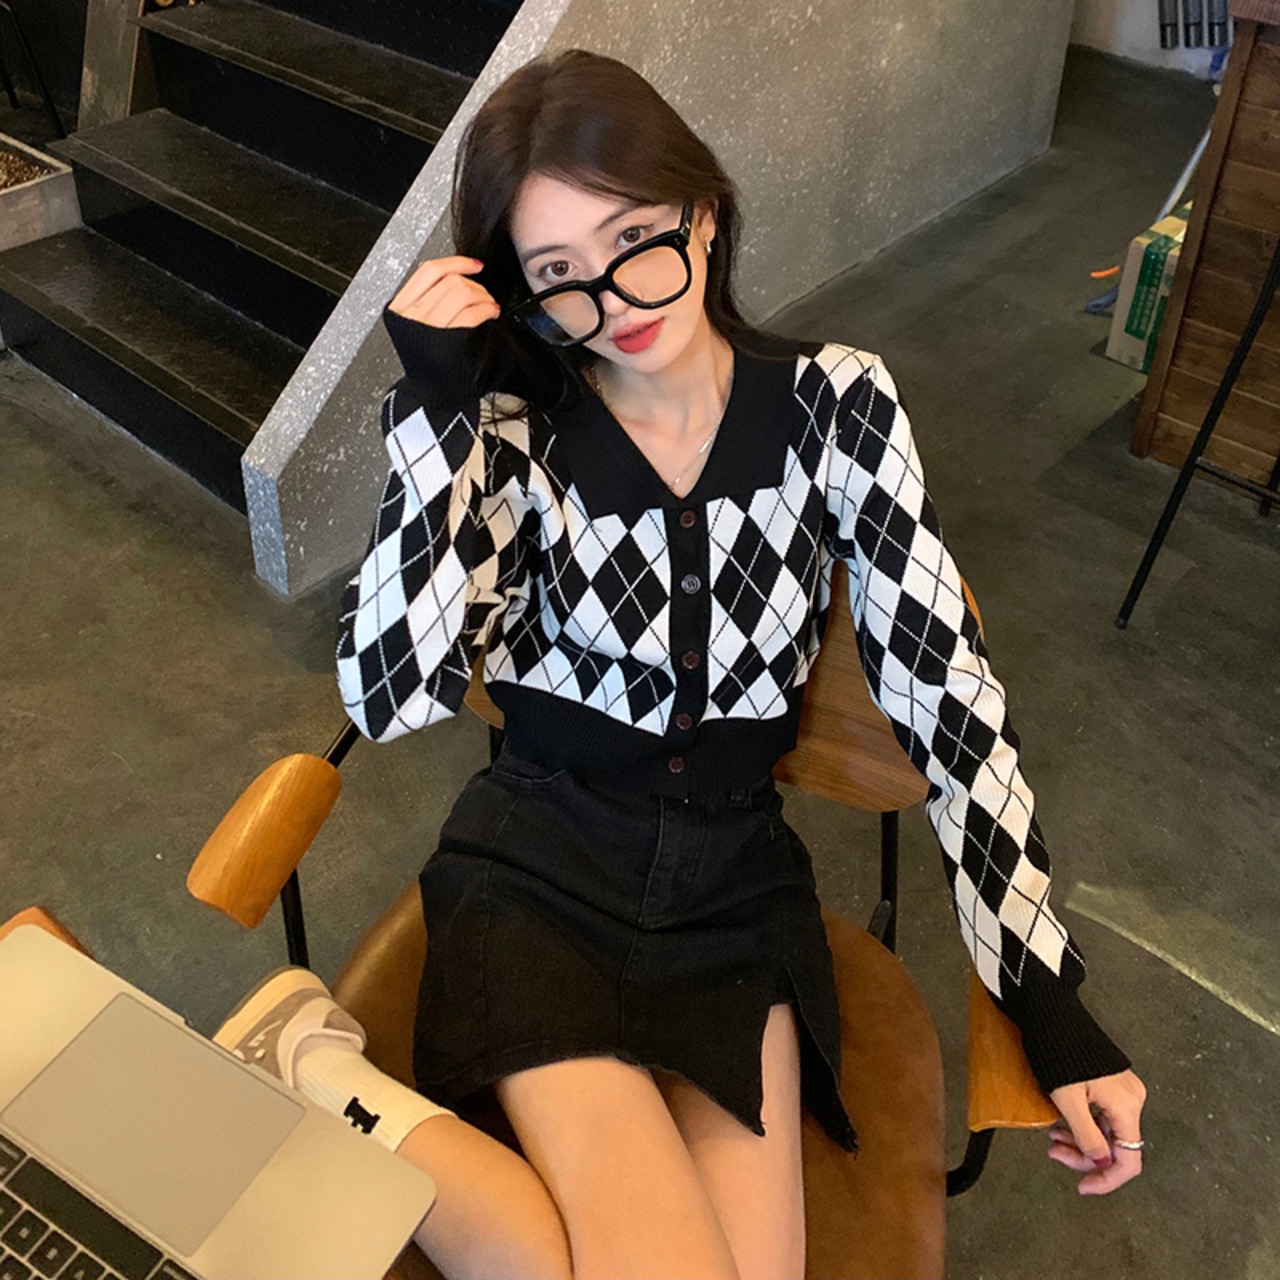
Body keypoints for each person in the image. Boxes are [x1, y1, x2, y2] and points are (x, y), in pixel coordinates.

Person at [215, 48, 1147, 1280]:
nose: (614, 302)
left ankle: (315, 1072)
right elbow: (389, 696)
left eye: (635, 238)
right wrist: (436, 413)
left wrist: (1044, 993)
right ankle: (313, 1059)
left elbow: (947, 698)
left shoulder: (834, 406)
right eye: (558, 275)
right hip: (541, 866)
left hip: (730, 886)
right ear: (516, 291)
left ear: (701, 212)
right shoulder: (506, 429)